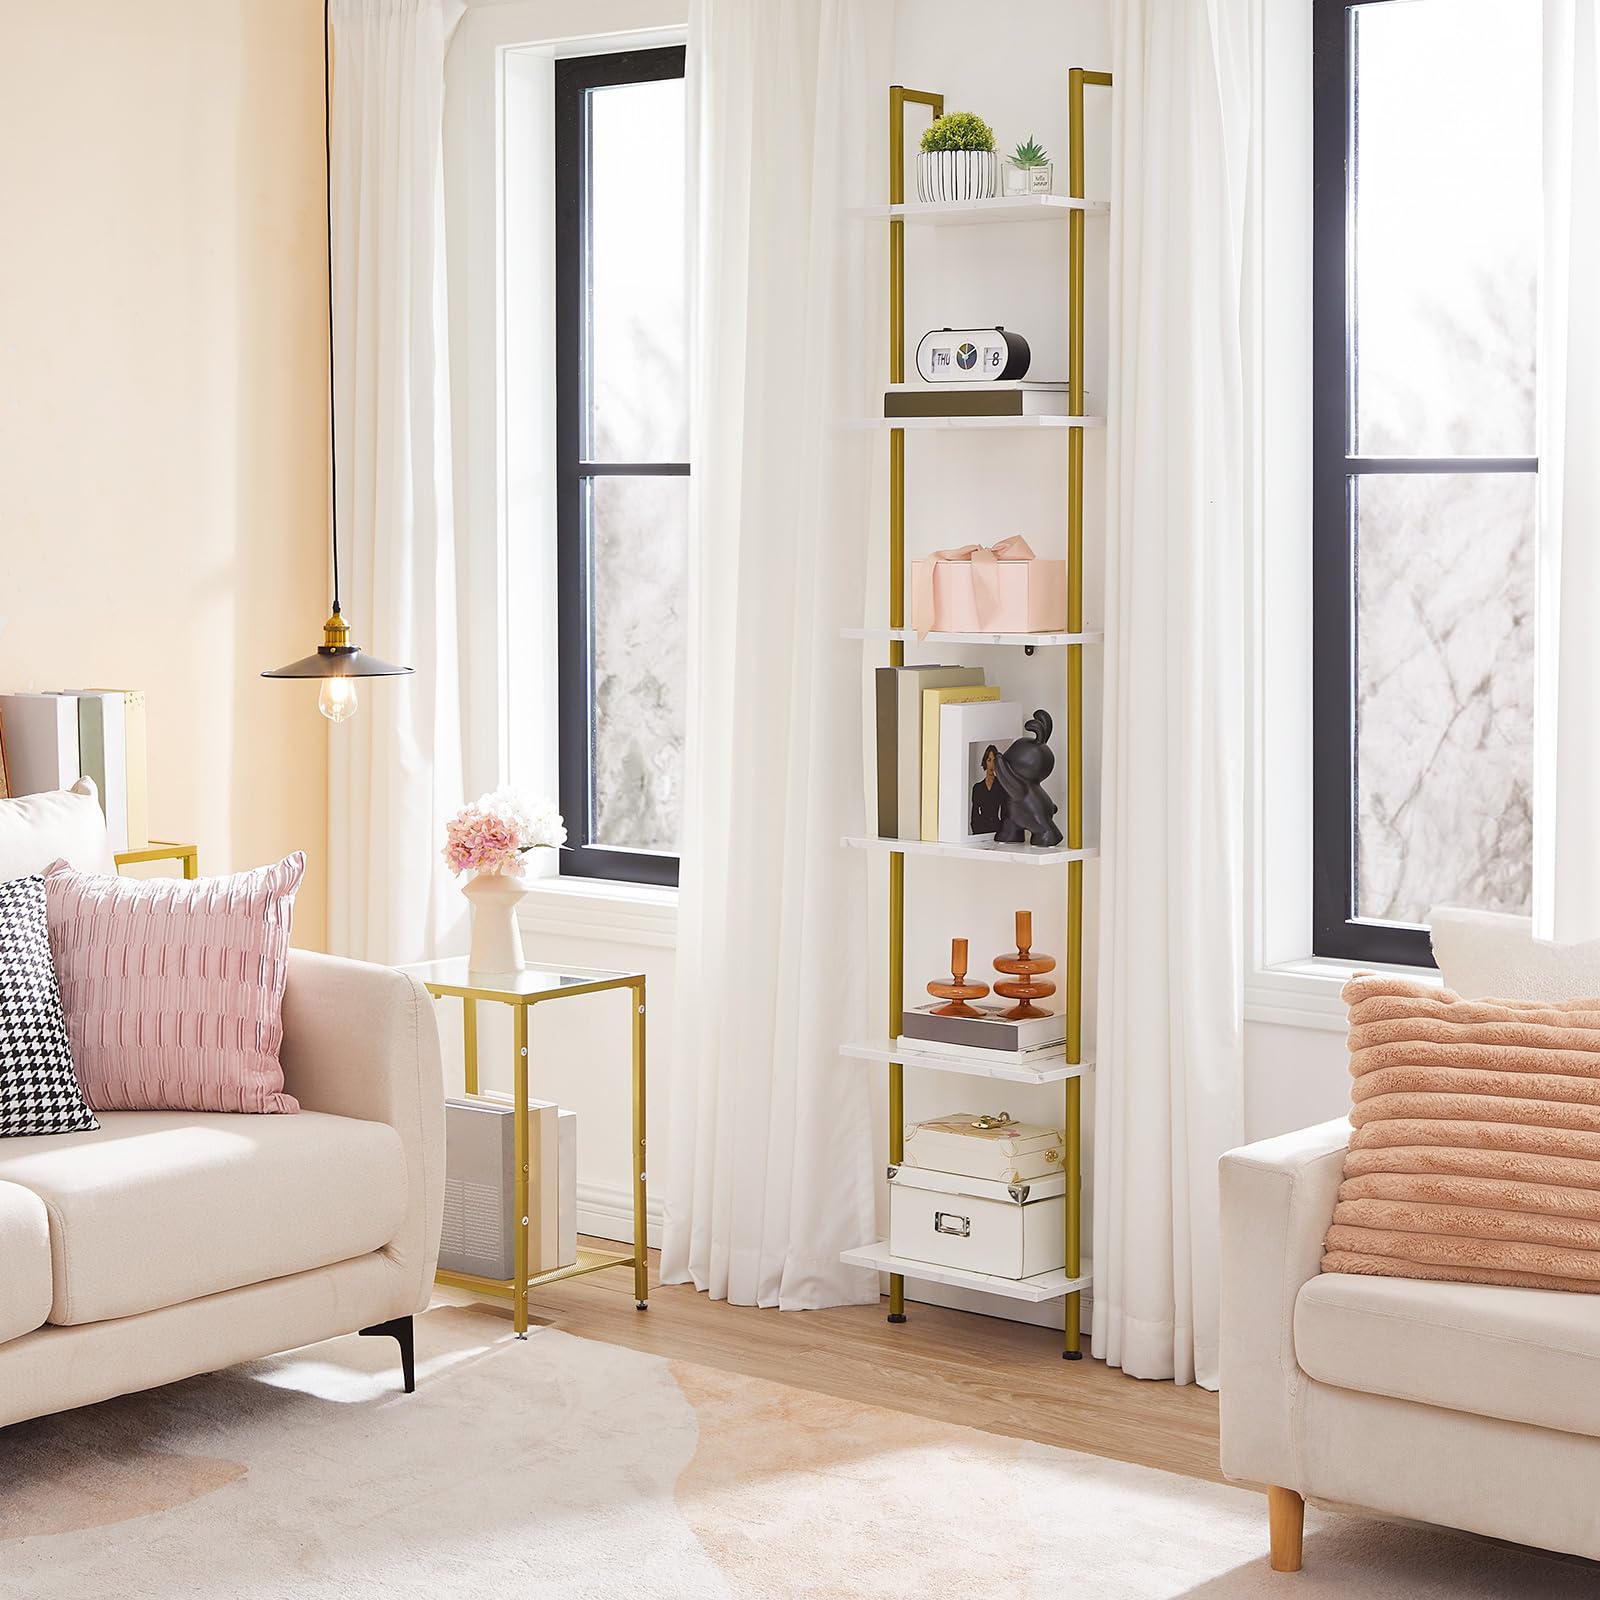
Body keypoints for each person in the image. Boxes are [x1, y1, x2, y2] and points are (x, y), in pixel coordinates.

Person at [970, 743, 1005, 836]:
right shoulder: (977, 788)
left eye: (994, 761)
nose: (991, 764)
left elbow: (1004, 813)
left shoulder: (1001, 786)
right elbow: (974, 814)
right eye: (989, 760)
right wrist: (976, 832)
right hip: (980, 830)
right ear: (985, 762)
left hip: (996, 830)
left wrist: (1001, 832)